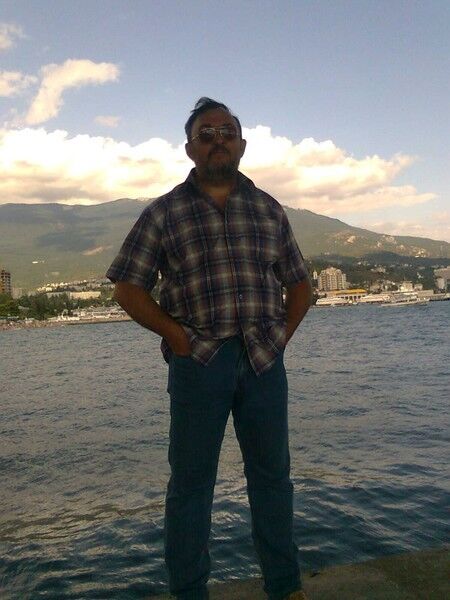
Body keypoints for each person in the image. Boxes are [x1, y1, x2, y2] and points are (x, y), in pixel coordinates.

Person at [106, 98, 312, 600]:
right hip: (199, 363)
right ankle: (189, 592)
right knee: (190, 487)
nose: (218, 139)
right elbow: (128, 288)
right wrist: (176, 336)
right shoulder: (164, 213)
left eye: (227, 131)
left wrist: (281, 338)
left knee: (273, 480)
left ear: (241, 145)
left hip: (264, 362)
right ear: (190, 149)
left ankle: (285, 587)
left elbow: (301, 284)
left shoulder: (269, 209)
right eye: (206, 133)